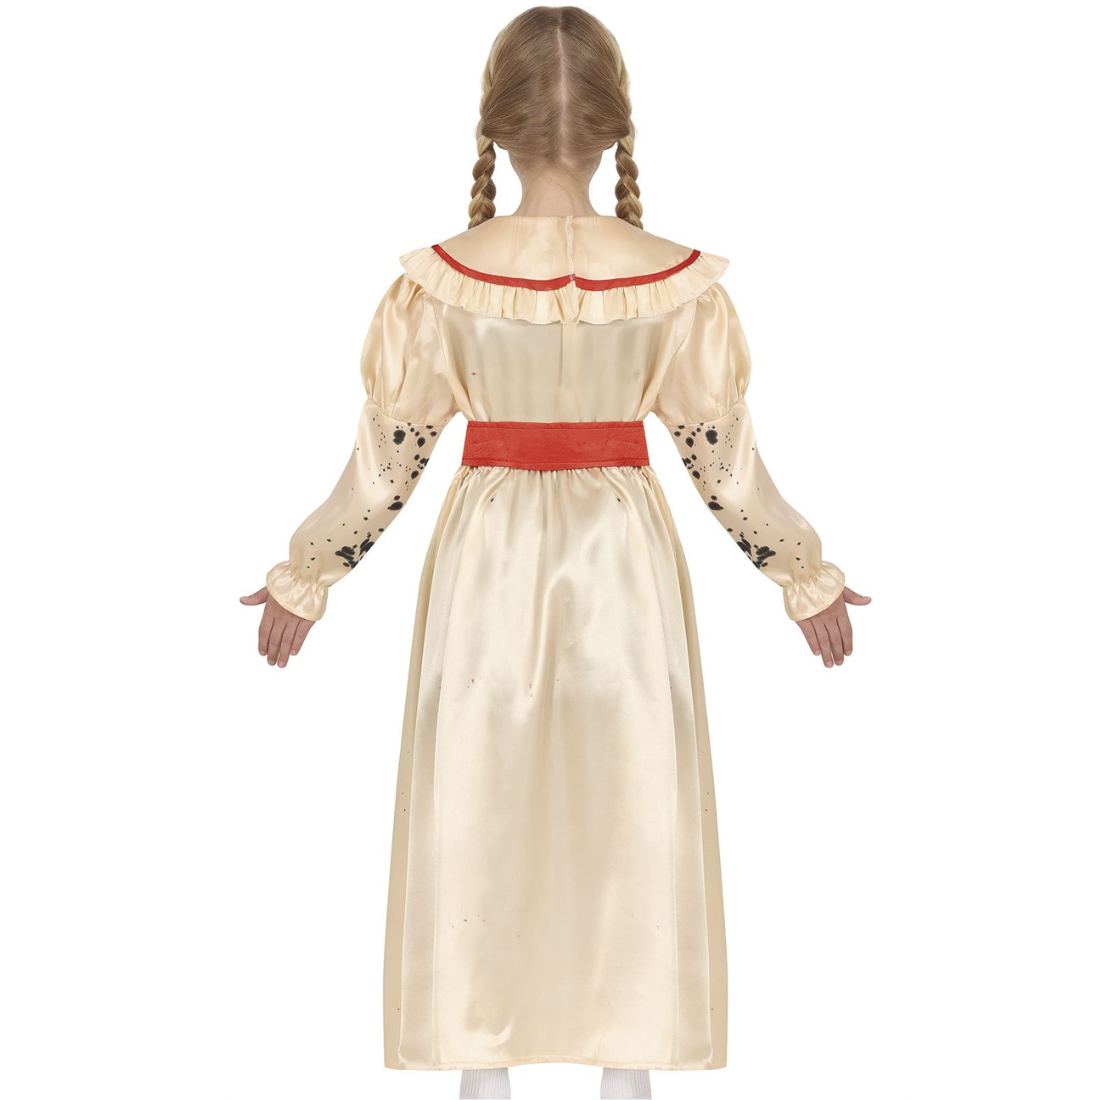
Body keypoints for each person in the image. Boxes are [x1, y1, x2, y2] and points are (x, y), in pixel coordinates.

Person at [240, 7, 870, 1098]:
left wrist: (310, 573)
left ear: (495, 128)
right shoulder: (673, 282)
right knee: (631, 802)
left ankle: (482, 1069)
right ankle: (628, 1067)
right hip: (623, 564)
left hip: (487, 562)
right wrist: (799, 573)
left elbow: (388, 461)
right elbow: (722, 464)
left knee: (477, 801)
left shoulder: (442, 280)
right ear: (616, 131)